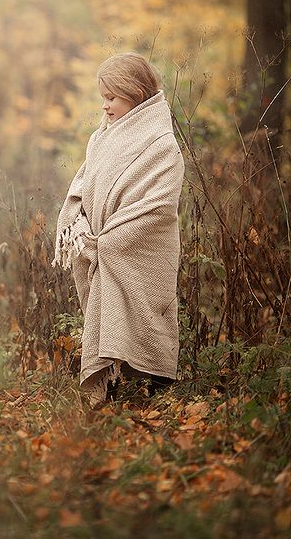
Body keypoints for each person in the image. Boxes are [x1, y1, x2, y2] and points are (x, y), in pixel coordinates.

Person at [52, 52, 184, 407]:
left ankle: (156, 387)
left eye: (112, 97)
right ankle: (112, 383)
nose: (105, 106)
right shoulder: (102, 137)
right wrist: (79, 225)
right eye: (103, 98)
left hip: (140, 248)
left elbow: (158, 206)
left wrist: (110, 241)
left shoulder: (161, 145)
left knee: (146, 314)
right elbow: (81, 186)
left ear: (136, 93)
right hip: (101, 243)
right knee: (103, 308)